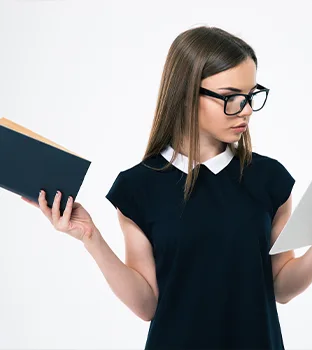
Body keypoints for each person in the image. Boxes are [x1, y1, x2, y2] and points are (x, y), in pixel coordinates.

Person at [22, 26, 296, 349]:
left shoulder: (269, 179)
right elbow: (147, 304)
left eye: (250, 95)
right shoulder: (138, 187)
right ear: (187, 94)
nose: (247, 109)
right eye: (231, 97)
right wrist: (91, 238)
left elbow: (282, 287)